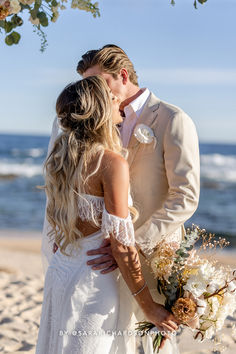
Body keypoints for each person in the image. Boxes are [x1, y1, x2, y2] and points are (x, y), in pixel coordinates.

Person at [36, 76, 179, 354]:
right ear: (101, 108)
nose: (119, 103)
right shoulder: (110, 163)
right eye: (113, 98)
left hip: (61, 271)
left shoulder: (59, 160)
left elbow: (57, 222)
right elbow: (122, 246)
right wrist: (149, 307)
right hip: (93, 282)